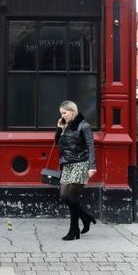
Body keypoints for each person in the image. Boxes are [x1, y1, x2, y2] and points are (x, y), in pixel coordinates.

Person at [54, 100, 97, 241]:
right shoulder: (65, 126)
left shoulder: (84, 126)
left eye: (64, 113)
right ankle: (85, 217)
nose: (63, 115)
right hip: (67, 165)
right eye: (61, 113)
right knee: (64, 196)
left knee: (72, 196)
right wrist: (60, 129)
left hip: (80, 164)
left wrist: (92, 166)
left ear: (72, 111)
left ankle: (74, 230)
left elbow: (91, 147)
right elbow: (57, 143)